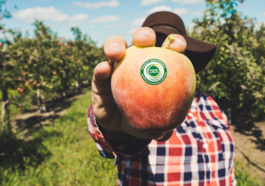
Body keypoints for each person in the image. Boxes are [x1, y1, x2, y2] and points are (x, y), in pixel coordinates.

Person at [88, 11, 236, 185]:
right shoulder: (127, 103)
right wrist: (117, 131)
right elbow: (121, 144)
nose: (160, 55)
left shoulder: (211, 104)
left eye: (164, 47)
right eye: (155, 47)